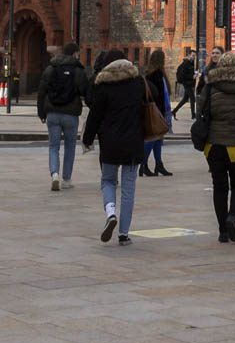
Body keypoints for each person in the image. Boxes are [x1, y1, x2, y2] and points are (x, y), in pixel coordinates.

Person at [80, 50, 145, 245]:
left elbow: (95, 116)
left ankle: (110, 213)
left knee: (108, 181)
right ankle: (124, 234)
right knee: (128, 188)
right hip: (133, 142)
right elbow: (154, 95)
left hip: (110, 142)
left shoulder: (104, 86)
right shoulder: (138, 83)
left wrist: (88, 138)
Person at [196, 51, 235, 242]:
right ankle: (233, 217)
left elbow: (200, 109)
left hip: (214, 143)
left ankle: (223, 231)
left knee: (219, 187)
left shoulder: (211, 85)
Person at [36, 42, 87, 191]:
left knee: (53, 146)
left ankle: (55, 175)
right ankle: (66, 179)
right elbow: (85, 90)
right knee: (70, 147)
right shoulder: (78, 70)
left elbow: (41, 91)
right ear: (74, 54)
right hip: (71, 115)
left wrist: (41, 113)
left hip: (52, 113)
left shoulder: (50, 68)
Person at [140, 49, 174, 177]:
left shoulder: (148, 73)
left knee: (158, 138)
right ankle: (143, 164)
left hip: (152, 108)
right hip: (157, 110)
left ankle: (158, 164)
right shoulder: (158, 74)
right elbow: (162, 94)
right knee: (154, 138)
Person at [173, 50, 196, 117]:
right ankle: (193, 115)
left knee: (185, 99)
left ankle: (174, 111)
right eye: (193, 55)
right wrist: (192, 76)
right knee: (192, 98)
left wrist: (194, 74)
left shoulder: (191, 63)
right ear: (189, 55)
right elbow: (183, 75)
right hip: (186, 84)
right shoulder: (185, 63)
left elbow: (190, 73)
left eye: (195, 56)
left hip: (189, 83)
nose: (194, 57)